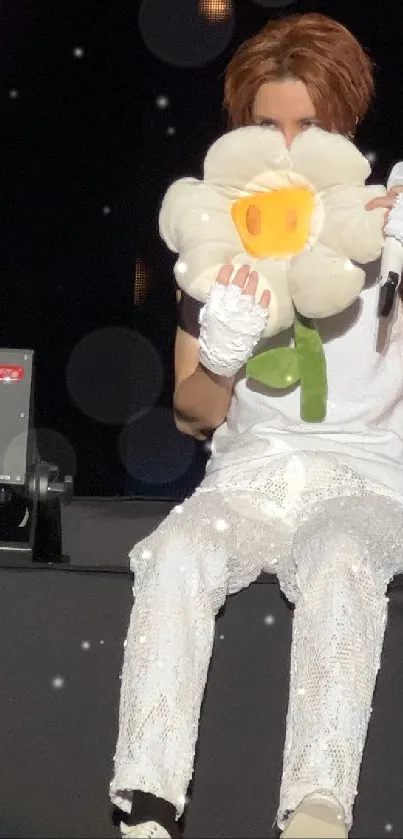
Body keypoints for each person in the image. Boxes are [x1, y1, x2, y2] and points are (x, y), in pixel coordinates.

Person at [110, 12, 403, 839]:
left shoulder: (382, 228)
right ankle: (147, 800)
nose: (284, 146)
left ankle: (317, 806)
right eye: (265, 126)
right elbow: (192, 411)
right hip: (249, 478)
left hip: (368, 483)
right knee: (176, 552)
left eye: (306, 125)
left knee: (341, 560)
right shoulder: (218, 245)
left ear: (343, 123)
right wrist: (225, 351)